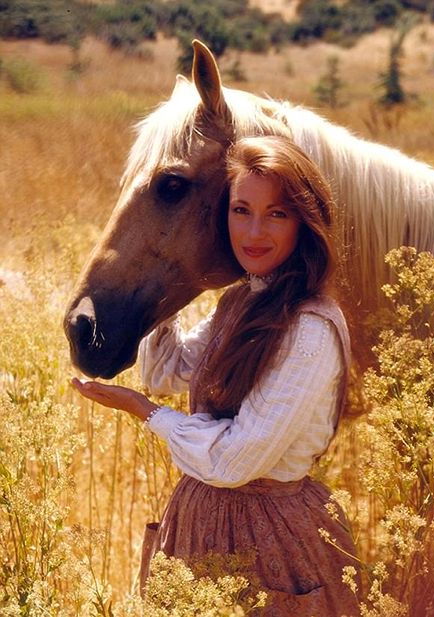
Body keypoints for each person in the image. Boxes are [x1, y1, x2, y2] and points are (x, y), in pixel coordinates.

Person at [72, 135, 360, 616]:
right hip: (199, 521)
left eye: (277, 214)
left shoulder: (310, 329)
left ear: (305, 224)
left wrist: (144, 412)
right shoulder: (243, 299)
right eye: (241, 210)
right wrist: (170, 284)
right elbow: (170, 369)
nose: (254, 232)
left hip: (274, 541)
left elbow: (232, 462)